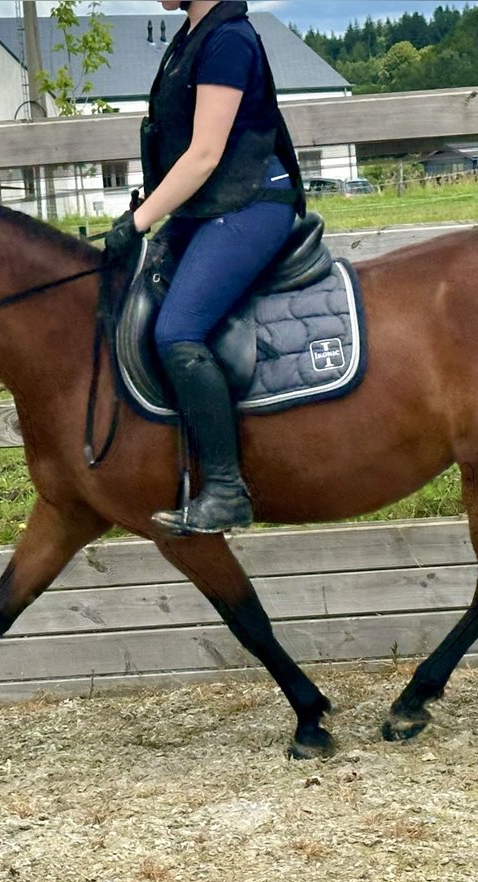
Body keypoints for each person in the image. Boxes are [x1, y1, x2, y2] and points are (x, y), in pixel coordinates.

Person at [105, 0, 305, 535]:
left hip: (252, 204)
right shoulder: (190, 37)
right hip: (211, 207)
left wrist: (140, 218)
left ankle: (224, 490)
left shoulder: (228, 40)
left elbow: (204, 154)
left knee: (178, 330)